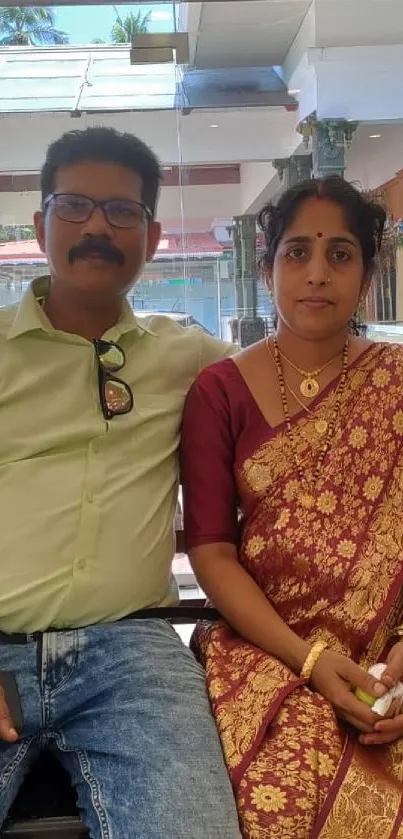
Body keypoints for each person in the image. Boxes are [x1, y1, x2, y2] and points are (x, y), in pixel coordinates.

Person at [0, 126, 242, 839]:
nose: (98, 227)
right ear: (42, 221)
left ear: (154, 234)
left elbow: (299, 395)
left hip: (129, 655)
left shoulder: (191, 356)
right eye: (74, 206)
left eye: (122, 211)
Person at [181, 176, 403, 838]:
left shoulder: (394, 379)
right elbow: (212, 549)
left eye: (339, 254)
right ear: (267, 263)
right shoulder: (218, 391)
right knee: (278, 795)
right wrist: (306, 660)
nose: (315, 273)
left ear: (364, 274)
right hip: (266, 646)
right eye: (296, 252)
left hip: (387, 646)